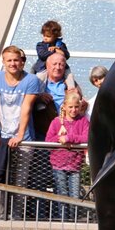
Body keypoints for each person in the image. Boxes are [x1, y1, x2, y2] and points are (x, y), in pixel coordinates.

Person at [0, 46, 42, 220]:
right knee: (1, 177)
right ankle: (0, 215)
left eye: (16, 60)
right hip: (2, 135)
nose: (12, 63)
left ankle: (16, 216)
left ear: (22, 61)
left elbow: (26, 108)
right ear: (3, 62)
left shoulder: (31, 80)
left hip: (23, 137)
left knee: (20, 180)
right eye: (9, 60)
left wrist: (20, 134)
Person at [46, 90, 89, 220]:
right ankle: (63, 219)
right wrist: (60, 139)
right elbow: (48, 140)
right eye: (70, 107)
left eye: (76, 107)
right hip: (58, 164)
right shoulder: (56, 122)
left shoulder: (83, 121)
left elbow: (86, 137)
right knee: (62, 193)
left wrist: (70, 138)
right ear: (64, 106)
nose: (74, 110)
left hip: (75, 165)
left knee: (75, 194)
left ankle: (73, 219)